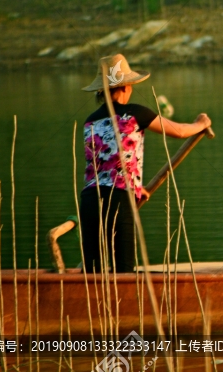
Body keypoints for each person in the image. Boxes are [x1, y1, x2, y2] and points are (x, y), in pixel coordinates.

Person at [79, 54, 211, 273]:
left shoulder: (90, 121)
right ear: (125, 87)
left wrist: (137, 188)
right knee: (123, 271)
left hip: (90, 200)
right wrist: (201, 123)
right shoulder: (135, 113)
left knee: (92, 274)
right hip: (119, 200)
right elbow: (178, 131)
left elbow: (105, 162)